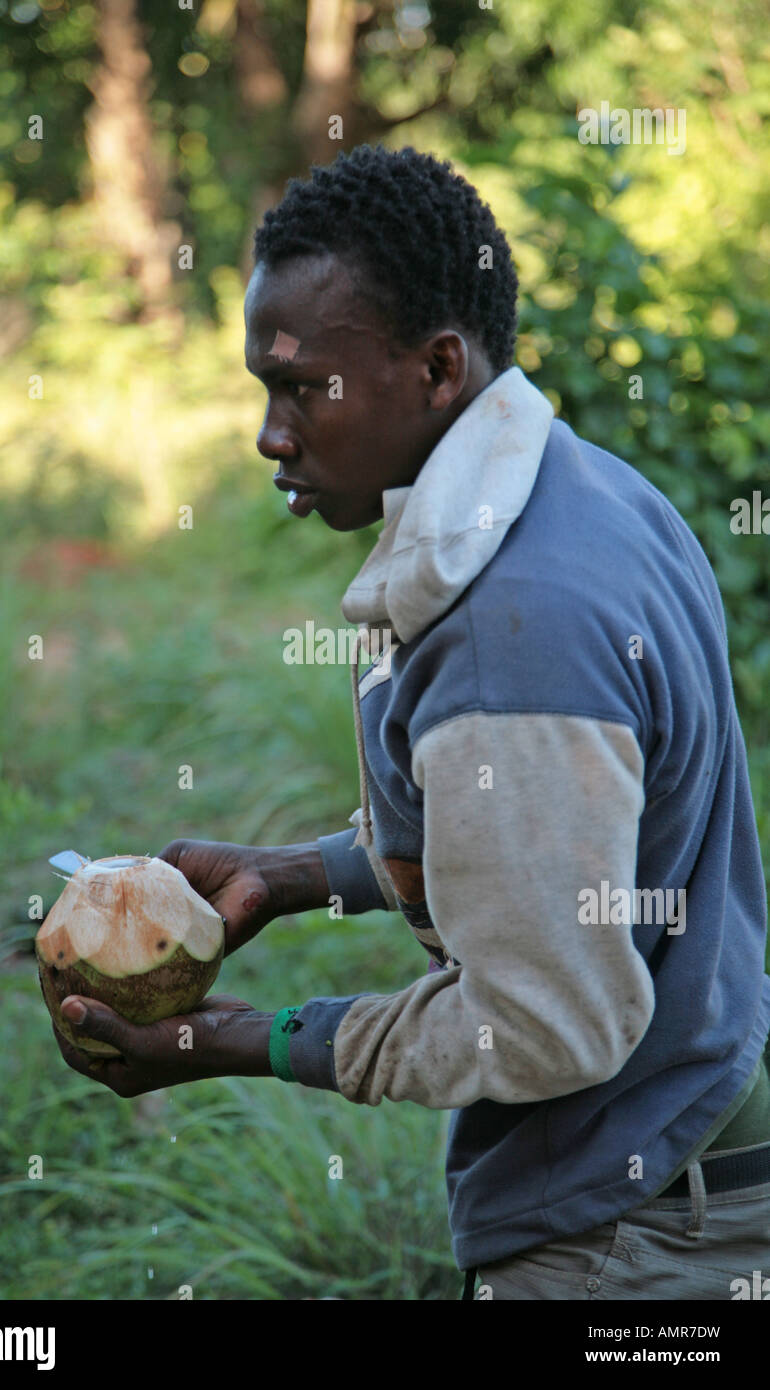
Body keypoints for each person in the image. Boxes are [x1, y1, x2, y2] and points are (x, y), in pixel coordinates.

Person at [54, 144, 770, 1300]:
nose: (269, 435)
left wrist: (246, 1039)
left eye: (303, 389)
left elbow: (545, 1029)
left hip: (631, 1231)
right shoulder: (582, 491)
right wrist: (292, 875)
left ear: (438, 367)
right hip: (696, 1134)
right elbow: (531, 834)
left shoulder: (511, 636)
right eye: (261, 389)